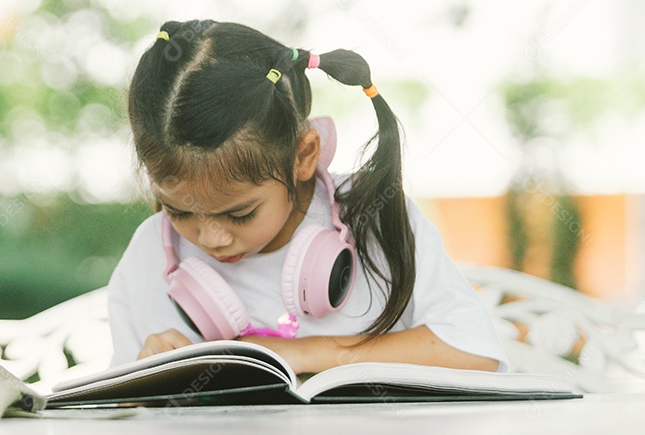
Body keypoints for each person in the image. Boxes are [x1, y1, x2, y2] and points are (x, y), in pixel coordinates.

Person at [107, 19, 507, 373]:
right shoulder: (150, 255)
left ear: (304, 155)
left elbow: (475, 351)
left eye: (241, 214)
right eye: (180, 212)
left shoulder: (375, 218)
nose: (211, 239)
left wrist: (305, 354)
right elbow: (115, 417)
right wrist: (145, 375)